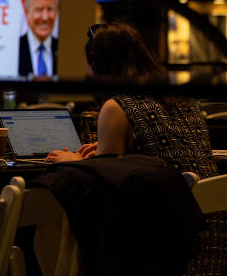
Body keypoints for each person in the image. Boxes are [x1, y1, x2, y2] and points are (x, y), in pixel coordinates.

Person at [46, 22, 225, 275]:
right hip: (213, 236)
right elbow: (159, 155)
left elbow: (106, 190)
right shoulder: (185, 101)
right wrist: (115, 152)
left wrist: (75, 162)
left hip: (169, 246)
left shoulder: (117, 106)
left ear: (101, 65)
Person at [18, 0, 59, 79]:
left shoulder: (63, 49)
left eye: (50, 9)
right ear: (27, 13)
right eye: (39, 9)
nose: (45, 17)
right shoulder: (16, 48)